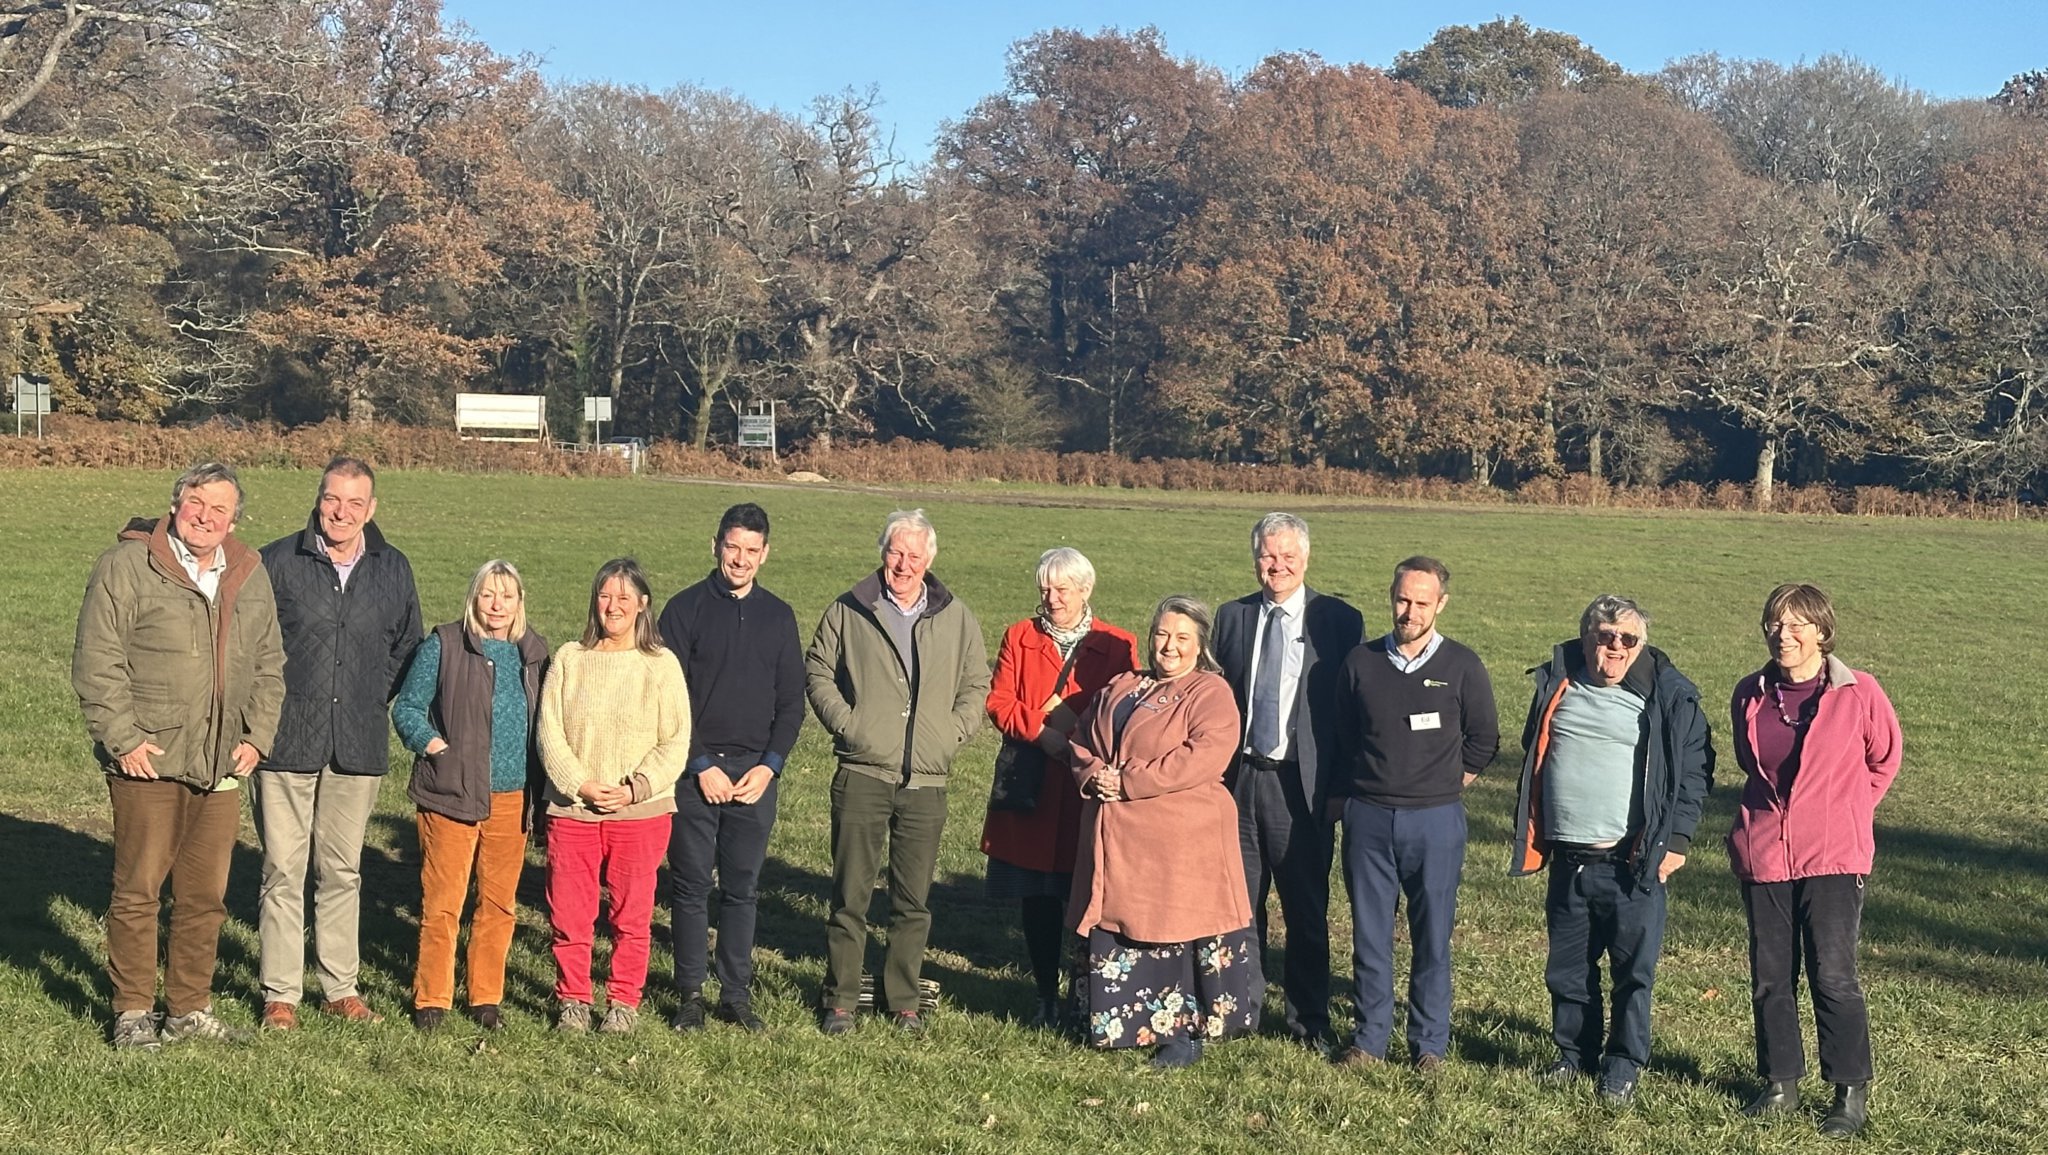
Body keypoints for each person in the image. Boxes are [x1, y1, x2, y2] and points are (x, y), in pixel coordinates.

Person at [72, 462, 285, 1048]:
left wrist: (257, 736)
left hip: (221, 763)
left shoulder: (248, 571)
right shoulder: (127, 565)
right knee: (139, 890)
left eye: (220, 509)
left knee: (204, 898)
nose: (206, 517)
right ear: (175, 505)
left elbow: (270, 663)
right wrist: (122, 738)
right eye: (197, 503)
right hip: (151, 758)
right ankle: (133, 1012)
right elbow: (97, 659)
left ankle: (188, 1008)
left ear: (234, 520)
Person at [1509, 595, 1714, 1106]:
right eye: (1605, 636)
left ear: (1641, 645)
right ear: (1587, 639)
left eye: (1628, 638)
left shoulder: (1667, 696)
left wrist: (1677, 841)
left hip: (1632, 862)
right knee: (1568, 971)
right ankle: (1573, 1055)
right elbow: (1534, 750)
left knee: (1632, 974)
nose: (1616, 647)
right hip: (1569, 860)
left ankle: (1623, 1064)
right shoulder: (1558, 684)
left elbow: (1694, 772)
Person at [253, 456, 422, 1029]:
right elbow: (255, 646)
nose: (341, 512)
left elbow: (406, 647)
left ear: (371, 509)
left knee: (342, 871)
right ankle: (281, 993)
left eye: (354, 503)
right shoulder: (278, 561)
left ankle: (339, 987)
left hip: (357, 741)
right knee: (282, 870)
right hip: (286, 738)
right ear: (318, 499)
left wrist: (367, 695)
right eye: (332, 499)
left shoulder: (393, 568)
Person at [806, 509, 990, 1035]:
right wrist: (850, 726)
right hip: (863, 772)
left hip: (926, 780)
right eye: (895, 552)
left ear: (929, 560)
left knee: (913, 902)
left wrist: (951, 734)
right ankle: (841, 999)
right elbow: (818, 670)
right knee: (851, 896)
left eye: (914, 555)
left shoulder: (956, 616)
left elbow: (977, 683)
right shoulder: (849, 609)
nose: (903, 564)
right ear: (882, 553)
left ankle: (904, 999)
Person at [1729, 583, 1901, 1138]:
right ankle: (1780, 1084)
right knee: (1770, 976)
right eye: (1775, 624)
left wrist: (1845, 811)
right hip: (1765, 853)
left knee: (1833, 975)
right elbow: (1751, 763)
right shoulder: (1750, 693)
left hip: (1833, 855)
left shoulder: (1859, 692)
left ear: (1822, 632)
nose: (1784, 635)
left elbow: (1884, 759)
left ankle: (1848, 1094)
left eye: (1797, 625)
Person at [1066, 594, 1258, 1069]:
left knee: (1175, 931)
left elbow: (1203, 756)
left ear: (1200, 645)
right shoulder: (1124, 684)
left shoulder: (1209, 692)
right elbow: (1082, 736)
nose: (1169, 646)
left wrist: (1128, 782)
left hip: (1178, 844)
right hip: (1117, 839)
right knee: (1121, 928)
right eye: (1162, 634)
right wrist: (1094, 774)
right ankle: (1118, 1022)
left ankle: (1182, 1034)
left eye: (1182, 638)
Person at [1331, 555, 1499, 1070]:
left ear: (1440, 604)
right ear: (1391, 596)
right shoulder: (1360, 662)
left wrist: (1444, 783)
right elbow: (1343, 735)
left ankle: (1429, 1045)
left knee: (1432, 937)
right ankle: (1369, 1040)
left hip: (1435, 821)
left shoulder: (1462, 666)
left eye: (1422, 603)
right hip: (1369, 818)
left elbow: (1484, 739)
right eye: (1403, 600)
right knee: (1370, 936)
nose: (1410, 612)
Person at [1212, 513, 1362, 1051]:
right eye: (1268, 556)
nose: (1277, 566)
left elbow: (1350, 713)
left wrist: (1339, 788)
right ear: (1255, 559)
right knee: (1238, 903)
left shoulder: (1338, 621)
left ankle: (1309, 1020)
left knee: (1305, 909)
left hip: (1302, 785)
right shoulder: (1231, 617)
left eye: (1288, 557)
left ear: (1306, 558)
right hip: (1240, 780)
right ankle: (1240, 1010)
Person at [657, 503, 806, 1034]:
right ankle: (690, 994)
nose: (740, 559)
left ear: (765, 554)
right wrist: (700, 764)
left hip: (753, 776)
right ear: (716, 545)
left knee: (743, 888)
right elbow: (669, 700)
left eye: (751, 550)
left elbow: (792, 702)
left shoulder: (779, 617)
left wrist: (769, 768)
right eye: (732, 547)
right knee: (691, 886)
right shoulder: (684, 610)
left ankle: (735, 994)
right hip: (695, 772)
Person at [980, 548, 1138, 1028]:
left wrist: (1077, 741)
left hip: (1084, 790)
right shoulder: (1019, 636)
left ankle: (1086, 997)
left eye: (1062, 589)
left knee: (1088, 893)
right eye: (1045, 589)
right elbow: (999, 701)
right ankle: (1045, 994)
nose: (1052, 598)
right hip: (1034, 787)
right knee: (1038, 897)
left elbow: (1125, 711)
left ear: (1085, 590)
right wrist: (1042, 734)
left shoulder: (1118, 644)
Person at [391, 559, 549, 1032]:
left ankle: (485, 997)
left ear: (519, 602)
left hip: (512, 799)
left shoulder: (535, 653)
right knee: (443, 903)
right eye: (488, 594)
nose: (497, 605)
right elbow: (408, 708)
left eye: (506, 596)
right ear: (474, 598)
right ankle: (432, 998)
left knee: (498, 905)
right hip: (451, 792)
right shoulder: (444, 644)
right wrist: (432, 745)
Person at [537, 558, 692, 1033]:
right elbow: (549, 732)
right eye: (605, 595)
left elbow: (676, 740)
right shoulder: (569, 659)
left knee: (632, 915)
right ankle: (574, 1000)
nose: (613, 606)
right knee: (570, 913)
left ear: (643, 604)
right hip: (573, 810)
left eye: (624, 597)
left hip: (640, 812)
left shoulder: (660, 665)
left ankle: (623, 1002)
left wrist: (634, 788)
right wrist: (580, 784)